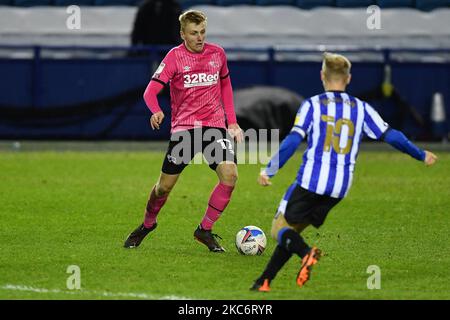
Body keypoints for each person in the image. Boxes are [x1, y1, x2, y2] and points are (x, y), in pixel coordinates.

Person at [250, 52, 438, 292]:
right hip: (339, 188)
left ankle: (306, 253)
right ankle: (264, 281)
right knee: (293, 230)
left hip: (311, 182)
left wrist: (270, 169)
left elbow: (292, 140)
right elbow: (391, 135)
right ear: (348, 78)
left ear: (322, 76)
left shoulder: (313, 105)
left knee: (279, 228)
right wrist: (420, 154)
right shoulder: (361, 109)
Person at [124, 10, 243, 252]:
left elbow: (226, 85)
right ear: (182, 34)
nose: (199, 38)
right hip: (185, 130)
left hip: (213, 127)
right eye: (193, 33)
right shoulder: (174, 57)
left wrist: (232, 122)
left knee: (230, 175)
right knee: (163, 188)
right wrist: (156, 110)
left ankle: (205, 229)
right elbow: (150, 92)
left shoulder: (217, 53)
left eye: (202, 32)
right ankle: (147, 225)